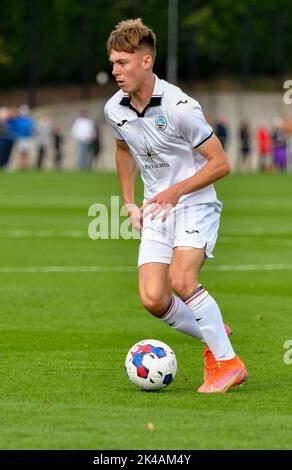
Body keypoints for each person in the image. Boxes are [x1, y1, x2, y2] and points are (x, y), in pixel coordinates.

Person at [104, 18, 247, 394]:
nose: (115, 71)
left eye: (123, 63)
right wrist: (129, 202)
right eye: (113, 63)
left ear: (146, 61)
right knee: (153, 298)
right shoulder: (114, 109)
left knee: (183, 280)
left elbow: (222, 164)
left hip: (195, 202)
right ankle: (213, 331)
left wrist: (175, 192)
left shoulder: (180, 106)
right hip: (156, 209)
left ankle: (229, 365)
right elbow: (123, 150)